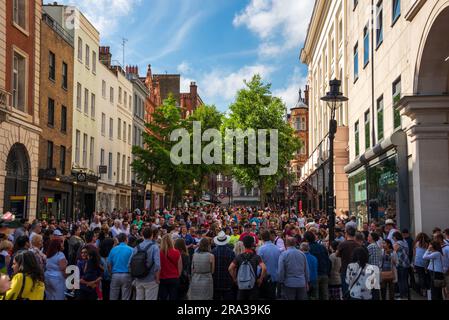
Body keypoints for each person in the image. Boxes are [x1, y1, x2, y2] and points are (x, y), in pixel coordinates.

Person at [228, 235, 266, 300]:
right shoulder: (256, 257)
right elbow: (264, 268)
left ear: (243, 244)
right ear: (252, 244)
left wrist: (235, 279)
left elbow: (230, 268)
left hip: (241, 286)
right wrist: (260, 279)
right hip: (253, 285)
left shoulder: (239, 257)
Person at [130, 227, 160, 300]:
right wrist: (157, 278)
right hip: (151, 279)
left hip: (138, 278)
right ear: (152, 235)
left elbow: (129, 263)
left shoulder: (136, 247)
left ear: (142, 235)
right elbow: (157, 264)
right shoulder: (154, 247)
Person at [304, 231, 330, 300]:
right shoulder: (322, 247)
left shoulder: (308, 249)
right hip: (324, 273)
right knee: (325, 295)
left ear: (306, 240)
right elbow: (328, 260)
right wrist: (327, 272)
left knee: (315, 296)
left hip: (314, 276)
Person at [107, 233, 133, 300]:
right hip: (127, 275)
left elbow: (109, 264)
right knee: (125, 297)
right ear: (126, 239)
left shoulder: (113, 249)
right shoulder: (131, 249)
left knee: (113, 297)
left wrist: (111, 273)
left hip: (115, 275)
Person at [336, 226, 360, 295]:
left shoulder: (342, 244)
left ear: (346, 234)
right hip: (356, 269)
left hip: (345, 269)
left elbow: (337, 254)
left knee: (346, 289)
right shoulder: (357, 245)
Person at [212, 231, 235, 300]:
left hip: (216, 281)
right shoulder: (231, 252)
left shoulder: (213, 251)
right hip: (227, 281)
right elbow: (234, 267)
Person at [257, 230, 280, 300]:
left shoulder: (261, 249)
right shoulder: (277, 248)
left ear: (262, 238)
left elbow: (259, 265)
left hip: (265, 278)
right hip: (275, 277)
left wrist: (257, 276)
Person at [158, 234, 182, 300]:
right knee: (173, 297)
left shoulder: (159, 253)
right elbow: (180, 267)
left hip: (163, 278)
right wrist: (177, 275)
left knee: (163, 297)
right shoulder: (177, 252)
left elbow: (158, 266)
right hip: (174, 277)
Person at [392, 231, 410, 300]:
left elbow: (393, 253)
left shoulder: (396, 244)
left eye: (393, 237)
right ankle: (405, 294)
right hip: (406, 263)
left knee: (400, 280)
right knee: (405, 279)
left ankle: (402, 295)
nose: (393, 238)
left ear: (395, 237)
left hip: (400, 263)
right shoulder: (404, 242)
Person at [413, 232, 431, 297]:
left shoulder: (416, 244)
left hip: (418, 263)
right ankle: (429, 290)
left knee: (421, 277)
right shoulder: (428, 244)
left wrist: (414, 263)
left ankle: (423, 290)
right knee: (427, 277)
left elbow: (415, 254)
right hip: (426, 262)